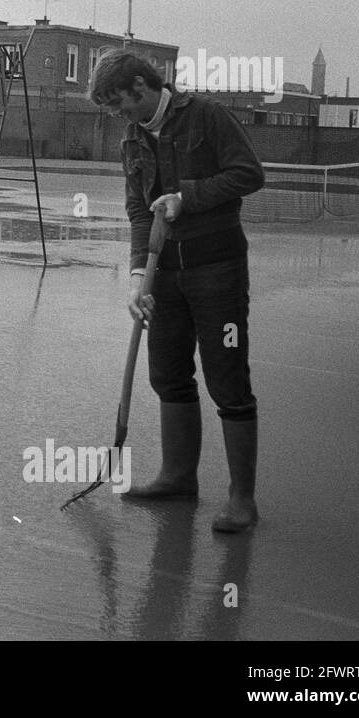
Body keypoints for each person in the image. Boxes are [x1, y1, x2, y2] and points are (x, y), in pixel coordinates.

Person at [89, 49, 265, 533]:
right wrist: (137, 277)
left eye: (119, 104)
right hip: (163, 274)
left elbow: (249, 174)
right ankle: (177, 477)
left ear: (141, 88)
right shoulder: (132, 137)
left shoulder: (207, 116)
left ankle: (241, 499)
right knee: (168, 374)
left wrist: (186, 198)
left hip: (218, 269)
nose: (118, 115)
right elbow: (139, 211)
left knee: (227, 379)